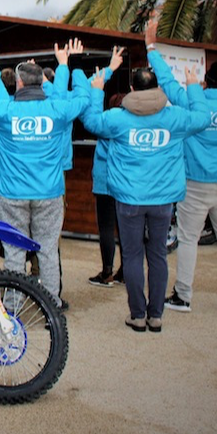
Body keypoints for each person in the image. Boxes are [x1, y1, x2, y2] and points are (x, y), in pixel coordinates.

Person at [80, 63, 210, 333]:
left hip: (129, 199)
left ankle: (138, 315)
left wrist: (97, 90)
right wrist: (193, 87)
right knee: (158, 255)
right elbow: (202, 117)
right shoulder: (174, 117)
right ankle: (156, 316)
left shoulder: (117, 118)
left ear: (131, 88)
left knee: (132, 255)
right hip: (162, 201)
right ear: (157, 88)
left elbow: (91, 122)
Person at [0, 40, 88, 311]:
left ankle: (12, 307)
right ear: (42, 83)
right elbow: (83, 97)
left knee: (14, 253)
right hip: (49, 194)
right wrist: (73, 65)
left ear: (18, 83)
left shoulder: (5, 111)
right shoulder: (57, 109)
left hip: (12, 195)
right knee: (48, 251)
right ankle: (51, 305)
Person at [147, 19, 217, 314]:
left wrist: (151, 47)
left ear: (206, 82)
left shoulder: (192, 103)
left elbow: (168, 84)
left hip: (194, 185)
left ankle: (183, 296)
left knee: (188, 240)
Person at [86, 47, 127, 288]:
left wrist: (99, 87)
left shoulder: (105, 122)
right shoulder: (130, 124)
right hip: (124, 182)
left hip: (104, 183)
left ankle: (107, 272)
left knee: (106, 228)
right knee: (125, 228)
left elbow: (91, 115)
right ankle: (125, 271)